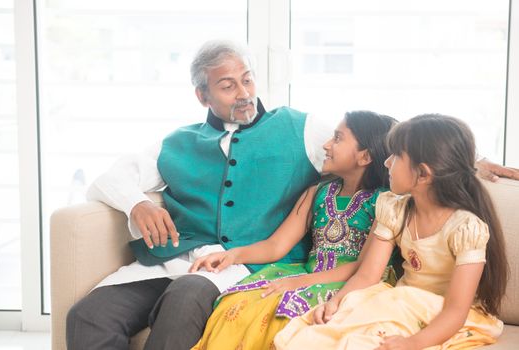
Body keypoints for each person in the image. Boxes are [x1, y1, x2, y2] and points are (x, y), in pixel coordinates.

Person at [65, 39, 517, 350]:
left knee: (186, 296)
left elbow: (387, 137)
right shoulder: (177, 141)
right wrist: (139, 202)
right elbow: (110, 178)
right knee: (87, 317)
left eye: (247, 79)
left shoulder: (301, 129)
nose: (243, 93)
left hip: (240, 265)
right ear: (202, 94)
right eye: (228, 86)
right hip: (171, 259)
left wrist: (468, 163)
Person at [274, 114, 509, 350]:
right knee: (328, 328)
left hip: (443, 314)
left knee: (365, 334)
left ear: (423, 174)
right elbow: (367, 276)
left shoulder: (466, 229)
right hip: (401, 301)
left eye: (396, 156)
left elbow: (455, 311)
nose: (386, 162)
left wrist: (412, 343)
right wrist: (336, 302)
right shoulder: (395, 210)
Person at [190, 111, 399, 350]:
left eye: (338, 138)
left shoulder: (385, 202)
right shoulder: (317, 193)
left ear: (365, 156)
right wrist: (232, 255)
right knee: (241, 301)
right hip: (307, 273)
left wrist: (300, 282)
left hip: (355, 284)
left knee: (289, 311)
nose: (326, 145)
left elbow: (363, 268)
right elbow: (276, 245)